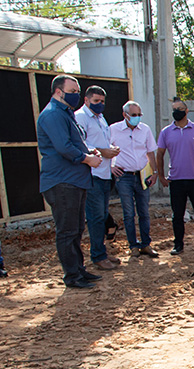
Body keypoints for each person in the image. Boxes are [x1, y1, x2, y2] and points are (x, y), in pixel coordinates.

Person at [37, 74, 103, 289]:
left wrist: (88, 151)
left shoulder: (65, 114)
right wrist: (87, 159)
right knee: (67, 231)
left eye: (77, 91)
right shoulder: (53, 115)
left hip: (74, 180)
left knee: (76, 229)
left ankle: (79, 270)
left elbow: (75, 142)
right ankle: (72, 276)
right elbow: (64, 147)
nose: (76, 95)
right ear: (58, 91)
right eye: (73, 92)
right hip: (62, 181)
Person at [156, 97, 194, 255]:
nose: (176, 112)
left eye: (179, 109)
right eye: (174, 109)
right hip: (176, 180)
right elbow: (159, 154)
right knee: (177, 215)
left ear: (187, 111)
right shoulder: (166, 132)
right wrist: (161, 176)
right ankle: (178, 244)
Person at [75, 85, 121, 270]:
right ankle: (98, 256)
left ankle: (100, 251)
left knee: (101, 216)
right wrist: (104, 151)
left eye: (102, 101)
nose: (100, 105)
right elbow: (81, 143)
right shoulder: (80, 117)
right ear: (86, 100)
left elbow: (101, 142)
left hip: (103, 173)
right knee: (95, 217)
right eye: (96, 101)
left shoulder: (101, 118)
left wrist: (111, 149)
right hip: (91, 175)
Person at [109, 101, 159, 257]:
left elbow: (151, 152)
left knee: (144, 211)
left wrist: (155, 172)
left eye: (139, 115)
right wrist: (111, 166)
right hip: (124, 177)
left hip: (142, 175)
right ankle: (133, 246)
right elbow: (105, 148)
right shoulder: (113, 129)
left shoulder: (145, 129)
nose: (137, 118)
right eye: (134, 115)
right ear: (125, 115)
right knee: (128, 212)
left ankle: (146, 244)